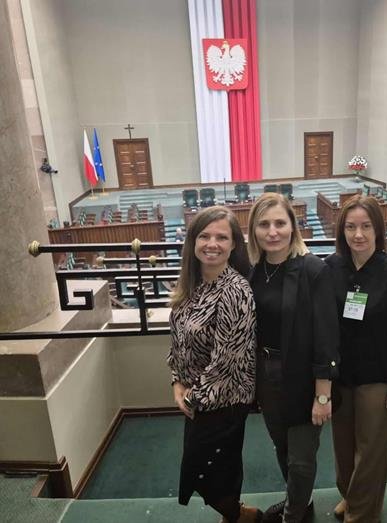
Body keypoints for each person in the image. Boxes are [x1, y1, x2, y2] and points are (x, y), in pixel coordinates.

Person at [247, 193, 340, 523]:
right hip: (266, 375)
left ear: (293, 226)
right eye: (264, 224)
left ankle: (293, 516)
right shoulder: (254, 272)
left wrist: (323, 395)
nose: (272, 231)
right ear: (254, 230)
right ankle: (301, 502)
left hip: (302, 377)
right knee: (283, 447)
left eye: (280, 223)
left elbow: (326, 336)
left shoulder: (313, 269)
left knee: (301, 458)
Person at [167, 206, 261, 523]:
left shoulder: (235, 291)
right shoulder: (190, 284)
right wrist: (177, 381)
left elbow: (227, 361)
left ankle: (245, 517)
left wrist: (191, 398)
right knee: (216, 470)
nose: (212, 244)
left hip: (224, 400)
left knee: (207, 471)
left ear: (234, 244)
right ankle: (236, 515)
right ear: (193, 241)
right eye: (204, 236)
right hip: (196, 396)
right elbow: (178, 340)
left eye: (222, 237)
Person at [325, 195, 387, 522]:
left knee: (371, 452)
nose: (358, 234)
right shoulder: (331, 268)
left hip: (378, 377)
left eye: (365, 226)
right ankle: (351, 497)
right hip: (340, 375)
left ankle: (362, 514)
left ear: (378, 229)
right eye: (350, 227)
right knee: (343, 447)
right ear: (342, 230)